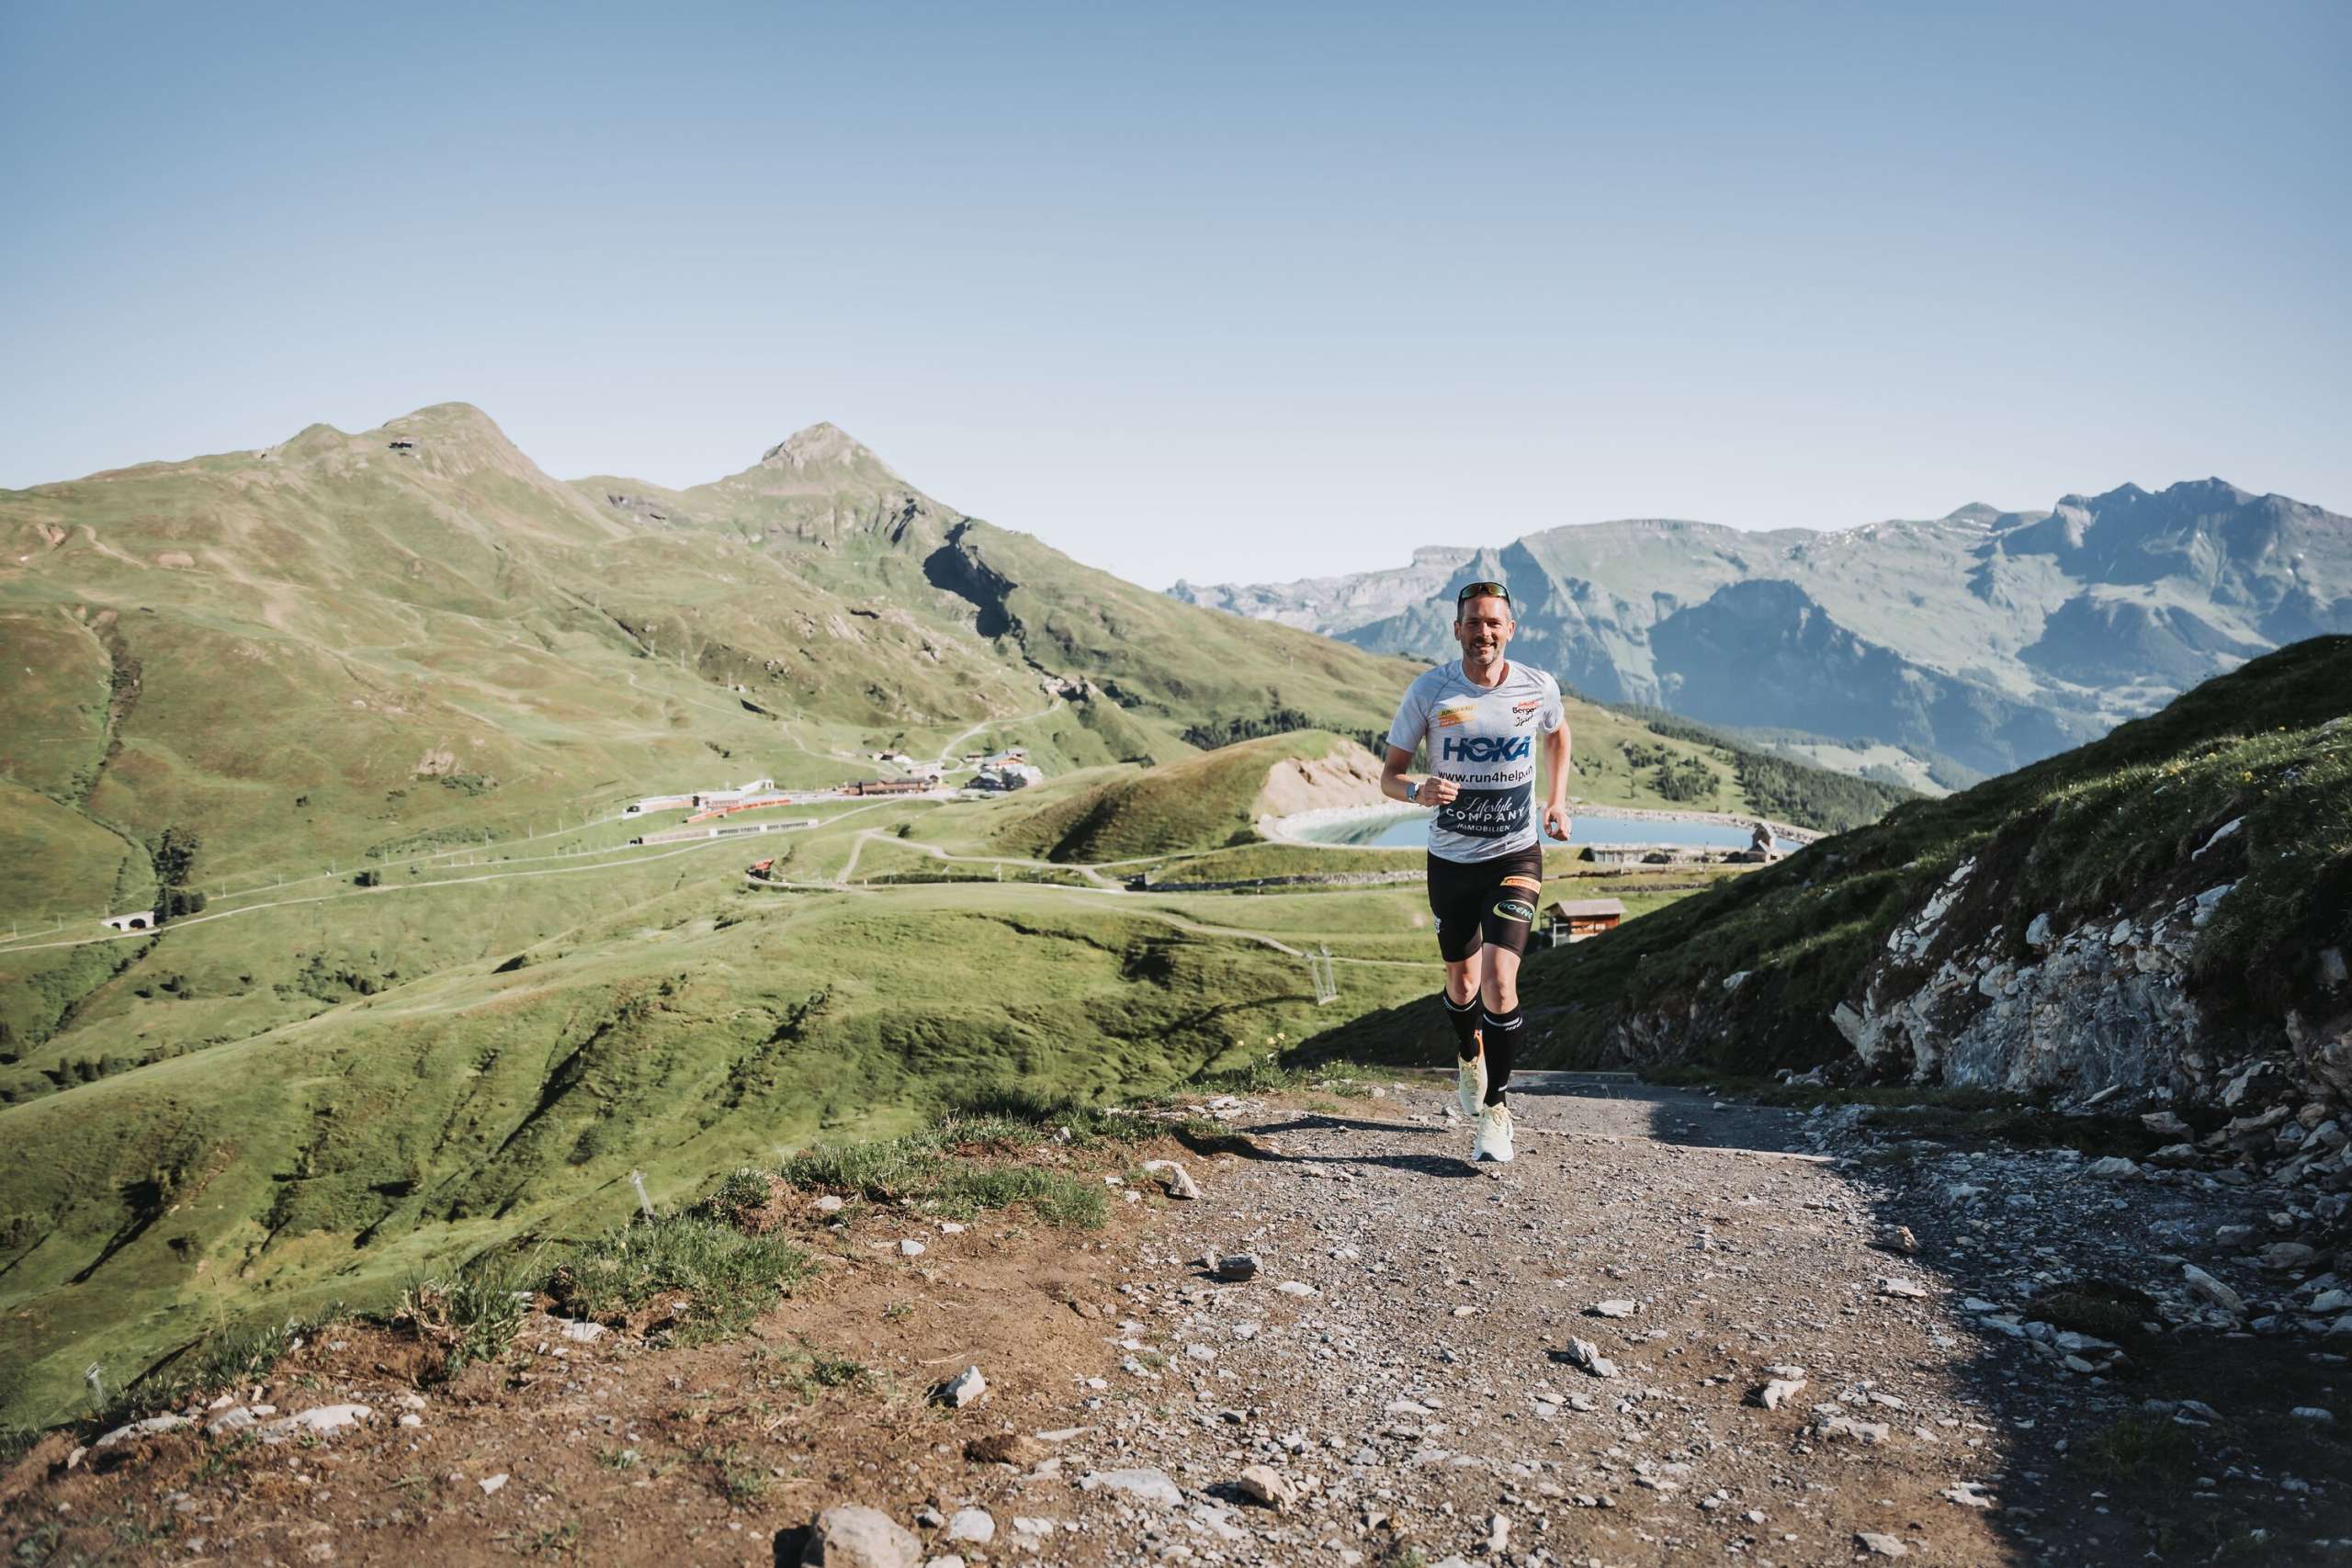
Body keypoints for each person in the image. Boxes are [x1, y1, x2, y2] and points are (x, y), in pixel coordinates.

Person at [1380, 581, 1571, 1163]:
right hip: (1452, 861)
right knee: (1461, 985)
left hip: (1516, 855)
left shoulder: (1537, 687)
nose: (1483, 632)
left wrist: (1556, 801)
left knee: (1499, 980)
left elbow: (1558, 734)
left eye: (1494, 622)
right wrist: (1418, 790)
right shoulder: (1430, 690)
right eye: (1473, 622)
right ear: (1456, 629)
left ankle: (1497, 1109)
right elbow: (1390, 775)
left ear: (1509, 629)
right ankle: (1469, 1055)